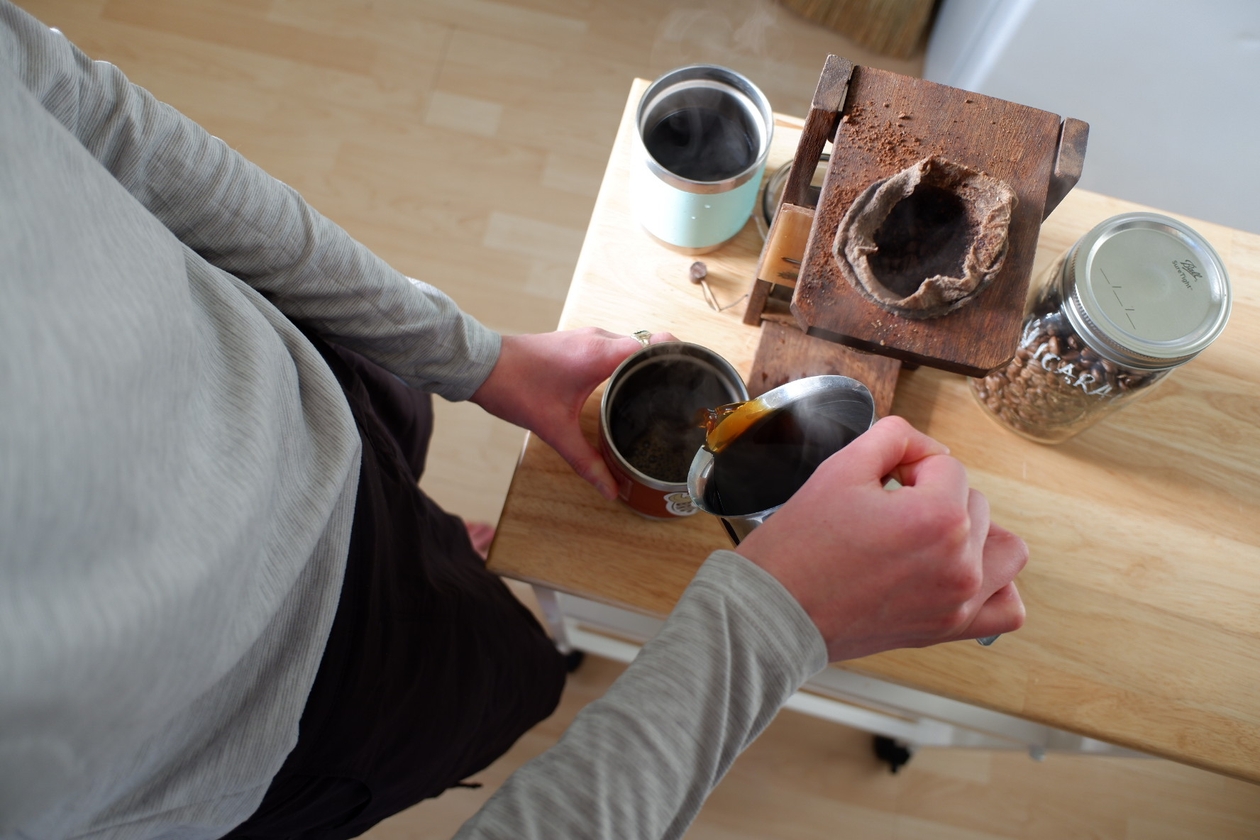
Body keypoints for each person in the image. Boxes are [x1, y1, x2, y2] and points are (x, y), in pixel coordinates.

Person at [0, 2, 1028, 838]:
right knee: (513, 671)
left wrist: (473, 358)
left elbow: (89, 117)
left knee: (399, 441)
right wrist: (773, 625)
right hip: (285, 709)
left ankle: (437, 537)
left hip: (292, 380)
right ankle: (462, 581)